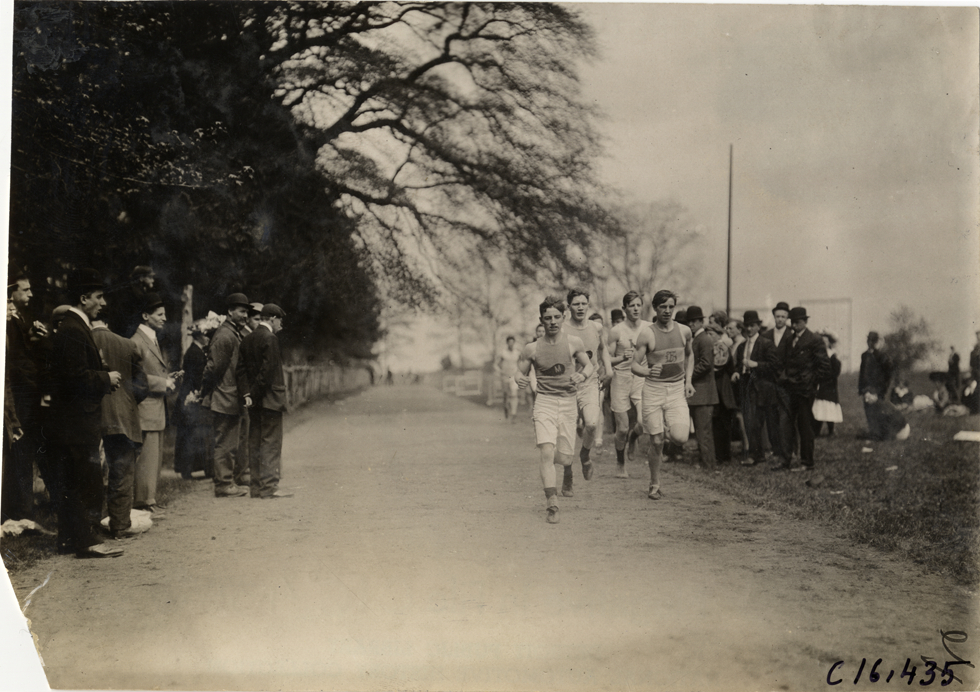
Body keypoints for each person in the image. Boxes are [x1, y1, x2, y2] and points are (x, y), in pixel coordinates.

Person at [47, 269, 124, 558]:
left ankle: (69, 539)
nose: (102, 303)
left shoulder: (73, 327)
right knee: (82, 480)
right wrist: (107, 378)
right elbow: (74, 378)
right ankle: (85, 541)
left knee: (74, 479)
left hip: (74, 420)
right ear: (83, 298)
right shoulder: (72, 329)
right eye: (98, 297)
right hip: (77, 421)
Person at [514, 295, 593, 524]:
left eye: (557, 317)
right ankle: (552, 501)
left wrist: (582, 374)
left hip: (568, 403)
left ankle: (568, 471)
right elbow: (519, 371)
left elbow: (589, 366)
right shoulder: (532, 349)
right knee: (547, 452)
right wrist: (519, 379)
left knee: (566, 458)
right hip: (545, 402)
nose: (552, 322)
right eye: (547, 318)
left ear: (563, 317)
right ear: (541, 320)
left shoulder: (573, 343)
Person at [631, 289, 693, 499]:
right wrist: (648, 370)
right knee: (657, 442)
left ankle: (658, 426)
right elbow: (634, 365)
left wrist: (689, 381)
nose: (667, 311)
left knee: (680, 437)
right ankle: (654, 484)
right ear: (656, 308)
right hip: (653, 390)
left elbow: (690, 355)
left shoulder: (684, 331)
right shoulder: (647, 333)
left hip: (676, 390)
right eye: (663, 307)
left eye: (670, 307)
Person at [91, 319, 148, 538]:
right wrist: (127, 402)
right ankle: (120, 524)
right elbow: (142, 386)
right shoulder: (126, 344)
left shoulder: (80, 340)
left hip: (91, 416)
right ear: (107, 322)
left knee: (88, 472)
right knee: (122, 470)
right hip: (123, 417)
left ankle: (89, 527)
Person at [2, 272, 47, 522]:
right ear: (12, 292)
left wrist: (33, 337)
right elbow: (16, 364)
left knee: (23, 453)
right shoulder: (8, 321)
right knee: (20, 453)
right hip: (19, 397)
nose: (30, 294)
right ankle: (19, 512)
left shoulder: (18, 319)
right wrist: (37, 386)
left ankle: (21, 509)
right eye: (25, 290)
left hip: (23, 395)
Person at [238, 304, 293, 499]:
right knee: (271, 443)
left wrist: (248, 395)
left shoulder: (247, 338)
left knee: (255, 442)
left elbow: (241, 371)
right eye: (280, 320)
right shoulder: (270, 339)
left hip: (254, 402)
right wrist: (254, 393)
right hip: (270, 399)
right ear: (271, 319)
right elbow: (267, 373)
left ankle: (256, 487)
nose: (281, 324)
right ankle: (269, 487)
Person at [130, 292, 179, 513]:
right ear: (145, 316)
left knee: (154, 458)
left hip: (155, 409)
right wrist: (163, 383)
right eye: (159, 314)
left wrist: (168, 379)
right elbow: (134, 377)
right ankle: (142, 502)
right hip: (146, 409)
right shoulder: (136, 342)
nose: (164, 318)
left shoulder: (151, 339)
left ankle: (149, 500)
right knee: (146, 459)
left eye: (164, 314)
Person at [200, 293, 251, 498]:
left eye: (247, 312)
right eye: (241, 311)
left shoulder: (232, 333)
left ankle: (227, 481)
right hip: (224, 395)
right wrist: (206, 391)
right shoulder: (225, 335)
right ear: (230, 311)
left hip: (229, 395)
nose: (245, 315)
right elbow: (213, 369)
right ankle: (223, 484)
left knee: (230, 441)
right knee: (225, 441)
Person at [563, 289, 611, 494]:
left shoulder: (597, 327)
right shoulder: (562, 329)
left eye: (584, 303)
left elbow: (603, 349)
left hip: (590, 382)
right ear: (569, 307)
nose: (580, 307)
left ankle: (585, 455)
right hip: (567, 385)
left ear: (588, 305)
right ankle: (567, 475)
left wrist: (608, 369)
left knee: (591, 423)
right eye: (576, 304)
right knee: (566, 434)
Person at [773, 307, 829, 472]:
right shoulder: (790, 340)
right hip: (790, 388)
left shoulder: (814, 339)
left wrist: (811, 382)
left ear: (805, 321)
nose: (795, 325)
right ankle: (786, 460)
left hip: (805, 391)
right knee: (786, 425)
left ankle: (807, 462)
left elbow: (824, 366)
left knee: (805, 426)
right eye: (793, 322)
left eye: (798, 322)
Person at [732, 311, 783, 467]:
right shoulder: (742, 346)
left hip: (763, 388)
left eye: (752, 325)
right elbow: (738, 365)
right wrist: (736, 371)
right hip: (747, 387)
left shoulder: (766, 343)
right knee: (750, 422)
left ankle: (774, 453)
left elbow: (775, 366)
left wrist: (756, 365)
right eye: (746, 325)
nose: (749, 329)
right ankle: (756, 455)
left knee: (767, 424)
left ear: (758, 326)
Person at [607, 291, 650, 478]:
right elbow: (607, 359)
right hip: (621, 378)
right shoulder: (616, 331)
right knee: (622, 428)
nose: (635, 308)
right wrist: (621, 357)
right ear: (624, 309)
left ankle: (634, 437)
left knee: (642, 422)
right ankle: (620, 463)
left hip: (640, 378)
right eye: (631, 305)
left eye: (638, 305)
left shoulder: (649, 328)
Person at [175, 322, 213, 479]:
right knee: (190, 434)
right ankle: (187, 469)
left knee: (194, 434)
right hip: (190, 396)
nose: (208, 339)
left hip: (193, 394)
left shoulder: (198, 351)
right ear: (199, 336)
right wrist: (200, 392)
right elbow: (195, 377)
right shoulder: (194, 353)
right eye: (206, 336)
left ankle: (192, 468)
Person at [684, 306, 718, 470]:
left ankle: (709, 464)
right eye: (689, 321)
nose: (691, 324)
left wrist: (687, 376)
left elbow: (706, 364)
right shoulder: (697, 338)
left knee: (704, 431)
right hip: (699, 393)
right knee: (701, 431)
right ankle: (706, 462)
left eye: (694, 321)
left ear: (701, 322)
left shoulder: (704, 339)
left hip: (704, 393)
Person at [708, 310, 738, 464]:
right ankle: (718, 454)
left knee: (723, 422)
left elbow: (721, 365)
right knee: (716, 422)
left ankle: (724, 455)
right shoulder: (717, 342)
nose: (709, 325)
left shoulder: (723, 343)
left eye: (712, 322)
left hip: (722, 386)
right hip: (717, 385)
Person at [858, 331, 893, 439]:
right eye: (869, 340)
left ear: (877, 342)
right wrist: (861, 388)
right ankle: (873, 432)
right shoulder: (864, 355)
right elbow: (862, 372)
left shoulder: (882, 355)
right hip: (866, 387)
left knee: (878, 410)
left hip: (878, 388)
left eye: (873, 341)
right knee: (868, 410)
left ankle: (880, 432)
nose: (870, 343)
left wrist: (883, 387)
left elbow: (888, 372)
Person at [812, 331, 843, 436]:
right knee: (819, 408)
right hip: (819, 383)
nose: (824, 343)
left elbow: (835, 370)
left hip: (829, 384)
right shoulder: (818, 353)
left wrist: (827, 376)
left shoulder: (832, 355)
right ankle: (816, 431)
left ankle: (831, 430)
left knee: (829, 407)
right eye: (822, 341)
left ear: (830, 343)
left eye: (826, 341)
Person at [496, 336, 521, 422]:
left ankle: (514, 413)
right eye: (509, 342)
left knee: (514, 394)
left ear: (514, 343)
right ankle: (506, 407)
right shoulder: (503, 353)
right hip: (505, 376)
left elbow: (520, 363)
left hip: (513, 376)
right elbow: (495, 365)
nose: (511, 344)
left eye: (512, 342)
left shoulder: (517, 353)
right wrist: (500, 371)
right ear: (507, 343)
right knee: (506, 394)